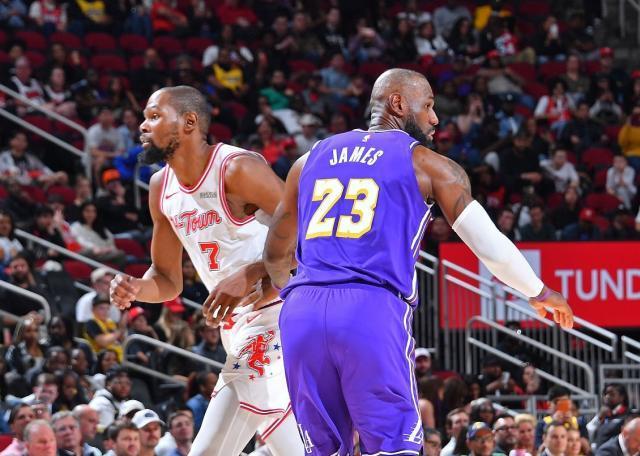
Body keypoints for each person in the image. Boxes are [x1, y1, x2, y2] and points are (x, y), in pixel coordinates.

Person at [263, 67, 573, 456]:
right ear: (397, 103)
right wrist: (538, 290)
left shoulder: (308, 160)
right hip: (369, 308)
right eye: (427, 105)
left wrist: (297, 295)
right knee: (394, 447)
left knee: (322, 449)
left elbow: (275, 252)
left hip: (301, 312)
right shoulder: (428, 164)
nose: (434, 118)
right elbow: (489, 244)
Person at [109, 85, 303, 455]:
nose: (142, 126)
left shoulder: (237, 169)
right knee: (292, 445)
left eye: (154, 116)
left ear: (189, 122)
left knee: (209, 450)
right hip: (236, 329)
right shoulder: (160, 187)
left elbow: (313, 234)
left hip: (280, 313)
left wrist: (252, 273)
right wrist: (136, 288)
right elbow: (166, 279)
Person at [587, 384, 629, 449]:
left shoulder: (628, 416)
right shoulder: (601, 416)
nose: (607, 397)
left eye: (612, 394)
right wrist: (599, 417)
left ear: (622, 397)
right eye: (605, 394)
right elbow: (588, 434)